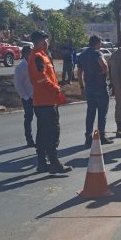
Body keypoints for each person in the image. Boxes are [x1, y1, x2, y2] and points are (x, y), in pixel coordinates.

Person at [27, 31, 72, 174]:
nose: (47, 42)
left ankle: (42, 163)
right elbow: (41, 79)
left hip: (46, 100)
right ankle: (53, 162)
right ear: (39, 42)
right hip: (45, 100)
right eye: (44, 40)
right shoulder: (37, 57)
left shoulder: (43, 55)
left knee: (43, 133)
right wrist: (56, 89)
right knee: (52, 132)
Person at [77, 35, 113, 146]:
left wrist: (82, 87)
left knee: (90, 113)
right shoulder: (97, 53)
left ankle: (88, 136)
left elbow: (79, 73)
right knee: (102, 113)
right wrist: (104, 72)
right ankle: (102, 135)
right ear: (97, 43)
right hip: (100, 87)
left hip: (89, 87)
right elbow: (104, 64)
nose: (101, 44)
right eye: (100, 42)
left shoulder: (82, 55)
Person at [14, 46, 35, 148]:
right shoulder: (20, 67)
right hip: (27, 97)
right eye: (31, 52)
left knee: (41, 118)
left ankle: (40, 140)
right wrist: (26, 97)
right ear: (26, 54)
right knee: (28, 118)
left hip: (37, 97)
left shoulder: (35, 64)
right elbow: (18, 85)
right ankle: (29, 139)